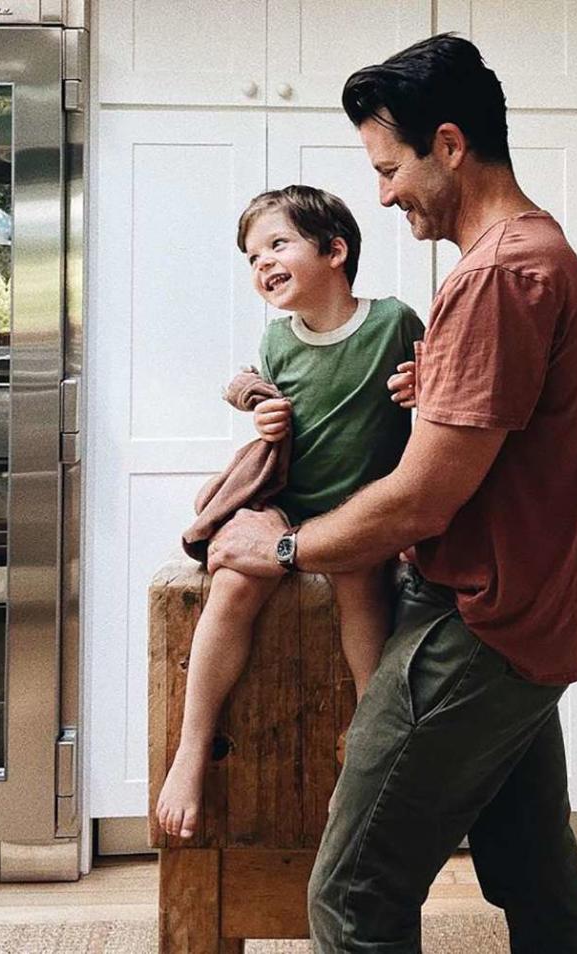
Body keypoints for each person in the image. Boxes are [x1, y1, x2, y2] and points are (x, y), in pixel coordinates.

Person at [208, 33, 577, 954]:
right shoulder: (538, 253)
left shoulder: (499, 274)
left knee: (350, 896)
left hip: (477, 627)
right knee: (533, 878)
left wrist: (279, 547)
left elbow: (421, 501)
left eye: (390, 168)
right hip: (539, 618)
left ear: (450, 145)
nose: (384, 191)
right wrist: (438, 390)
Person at [156, 185, 424, 841]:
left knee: (365, 596)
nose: (262, 264)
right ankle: (193, 746)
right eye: (251, 256)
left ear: (335, 250)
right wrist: (257, 402)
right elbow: (247, 381)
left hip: (361, 515)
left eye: (277, 244)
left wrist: (423, 385)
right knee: (233, 587)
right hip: (287, 512)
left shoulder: (393, 322)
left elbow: (443, 382)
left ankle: (366, 748)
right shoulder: (278, 339)